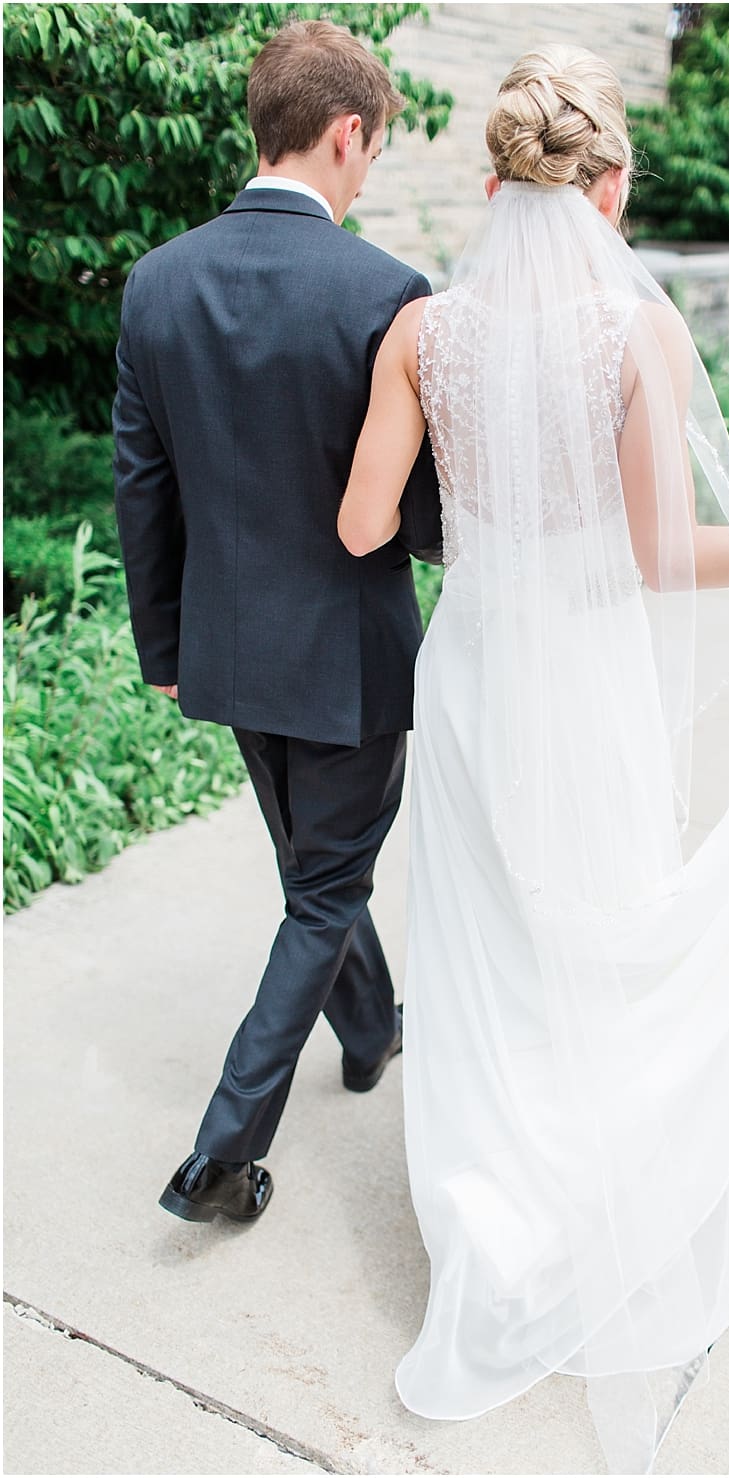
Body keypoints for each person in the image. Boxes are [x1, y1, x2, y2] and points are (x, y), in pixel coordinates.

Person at [334, 47, 729, 1471]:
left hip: (474, 666)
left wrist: (483, 511)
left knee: (488, 947)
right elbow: (662, 556)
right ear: (613, 186)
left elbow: (367, 525)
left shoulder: (422, 329)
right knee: (598, 924)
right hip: (582, 675)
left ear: (493, 185)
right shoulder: (636, 333)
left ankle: (487, 1225)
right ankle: (584, 1215)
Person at [114, 19, 445, 1227]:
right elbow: (417, 514)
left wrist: (164, 648)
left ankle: (368, 1028)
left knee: (317, 870)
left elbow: (142, 484)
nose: (370, 172)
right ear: (346, 132)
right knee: (324, 886)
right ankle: (221, 1151)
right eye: (376, 148)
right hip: (349, 661)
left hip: (227, 649)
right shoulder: (386, 292)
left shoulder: (157, 282)